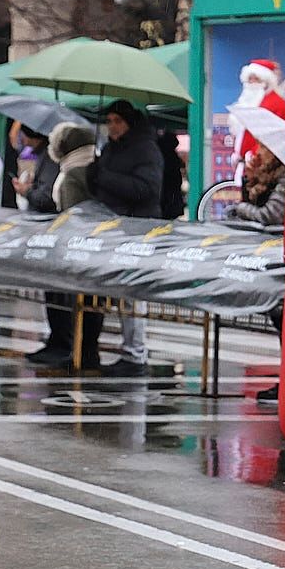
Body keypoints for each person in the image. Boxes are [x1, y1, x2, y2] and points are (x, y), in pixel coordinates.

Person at [82, 100, 163, 377]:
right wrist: (93, 176)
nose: (112, 126)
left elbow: (145, 188)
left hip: (135, 229)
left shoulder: (145, 149)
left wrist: (105, 177)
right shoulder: (110, 149)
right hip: (111, 227)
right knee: (116, 292)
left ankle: (135, 353)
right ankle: (124, 351)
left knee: (131, 295)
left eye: (117, 121)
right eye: (109, 121)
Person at [27, 122, 98, 368]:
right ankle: (72, 348)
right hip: (74, 245)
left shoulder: (75, 173)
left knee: (72, 298)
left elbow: (69, 209)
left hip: (73, 247)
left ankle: (73, 349)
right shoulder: (78, 168)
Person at [228, 144, 285, 229]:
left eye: (263, 147)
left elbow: (269, 215)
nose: (258, 152)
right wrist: (252, 177)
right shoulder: (267, 174)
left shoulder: (284, 179)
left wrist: (241, 208)